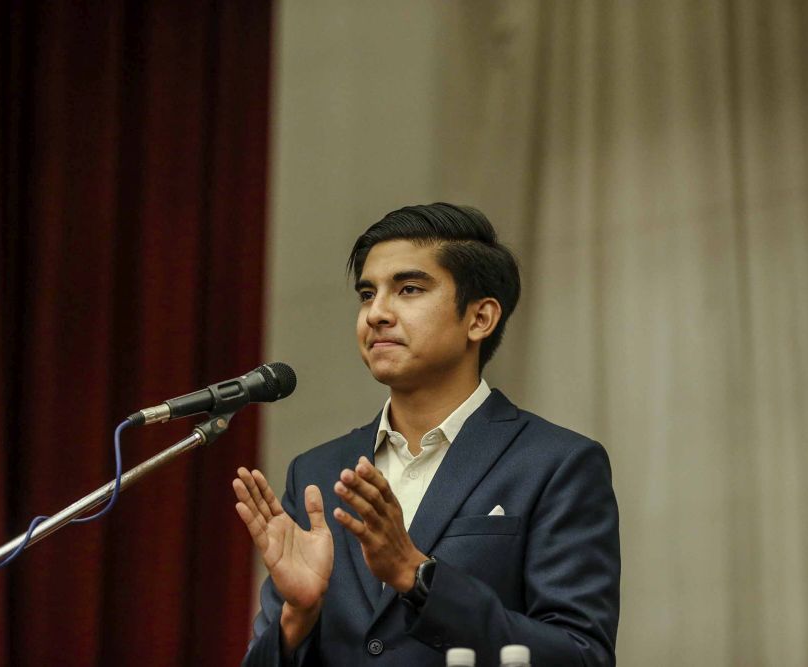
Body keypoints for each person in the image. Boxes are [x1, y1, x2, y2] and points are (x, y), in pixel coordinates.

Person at [233, 203, 620, 666]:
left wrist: (418, 576)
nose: (377, 313)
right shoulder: (316, 472)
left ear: (480, 319)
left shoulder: (556, 463)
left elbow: (581, 656)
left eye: (408, 289)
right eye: (366, 294)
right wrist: (300, 612)